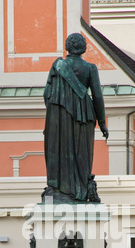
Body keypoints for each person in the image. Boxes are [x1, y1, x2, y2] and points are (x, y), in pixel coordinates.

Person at [43, 33, 108, 203]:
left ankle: (57, 188)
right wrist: (102, 123)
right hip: (84, 116)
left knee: (58, 151)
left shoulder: (57, 66)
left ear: (67, 47)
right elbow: (98, 97)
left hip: (58, 116)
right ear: (83, 48)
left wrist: (56, 113)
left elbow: (47, 94)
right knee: (81, 153)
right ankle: (79, 191)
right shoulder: (90, 68)